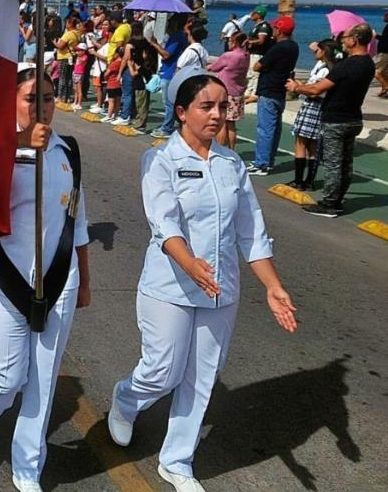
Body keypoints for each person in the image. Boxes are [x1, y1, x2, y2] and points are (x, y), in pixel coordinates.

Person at [108, 67, 298, 492]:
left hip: (221, 289)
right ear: (181, 112)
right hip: (170, 286)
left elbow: (251, 232)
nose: (216, 115)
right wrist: (190, 263)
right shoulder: (160, 159)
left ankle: (176, 461)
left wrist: (272, 285)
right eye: (205, 106)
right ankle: (126, 399)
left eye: (222, 106)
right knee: (162, 371)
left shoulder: (232, 164)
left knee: (202, 375)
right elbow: (164, 222)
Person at [0, 64, 90, 492]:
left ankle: (27, 464)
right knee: (8, 374)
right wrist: (17, 145)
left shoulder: (68, 151)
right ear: (11, 103)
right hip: (7, 275)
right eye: (30, 98)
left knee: (42, 377)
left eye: (48, 98)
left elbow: (78, 221)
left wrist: (85, 280)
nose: (41, 107)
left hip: (60, 279)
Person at [287, 24, 376, 217]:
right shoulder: (368, 64)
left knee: (334, 163)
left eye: (345, 37)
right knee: (345, 163)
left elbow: (316, 89)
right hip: (353, 118)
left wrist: (296, 87)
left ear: (354, 40)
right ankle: (337, 198)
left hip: (336, 119)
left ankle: (329, 203)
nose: (342, 40)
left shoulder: (347, 65)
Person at [248, 16, 299, 176]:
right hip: (280, 90)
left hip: (269, 89)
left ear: (279, 30)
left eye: (275, 28)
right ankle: (268, 161)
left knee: (265, 128)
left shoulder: (278, 48)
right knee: (274, 128)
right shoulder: (294, 47)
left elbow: (257, 66)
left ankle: (261, 163)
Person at [286, 39, 337, 190]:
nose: (315, 51)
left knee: (301, 143)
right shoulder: (330, 67)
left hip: (313, 105)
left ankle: (299, 180)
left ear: (324, 52)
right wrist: (302, 86)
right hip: (320, 107)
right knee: (313, 145)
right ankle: (309, 181)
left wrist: (298, 88)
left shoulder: (324, 69)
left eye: (318, 50)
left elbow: (316, 91)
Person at [149, 14, 189, 138]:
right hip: (169, 70)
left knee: (169, 102)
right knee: (172, 102)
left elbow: (166, 55)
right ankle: (170, 125)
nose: (167, 25)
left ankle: (167, 127)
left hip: (170, 72)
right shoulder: (180, 37)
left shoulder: (177, 37)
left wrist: (154, 44)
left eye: (170, 23)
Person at [209, 32, 250, 150]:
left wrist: (208, 66)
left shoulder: (229, 55)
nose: (228, 43)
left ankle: (220, 150)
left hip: (225, 92)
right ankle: (232, 150)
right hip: (237, 93)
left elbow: (214, 67)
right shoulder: (246, 55)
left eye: (230, 40)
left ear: (234, 42)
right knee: (231, 125)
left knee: (222, 124)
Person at [244, 5, 273, 101]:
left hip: (259, 53)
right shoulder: (256, 26)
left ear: (259, 15)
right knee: (250, 73)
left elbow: (261, 40)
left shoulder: (263, 27)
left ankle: (255, 93)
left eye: (254, 13)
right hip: (252, 52)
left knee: (255, 73)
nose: (251, 15)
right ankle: (249, 91)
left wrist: (249, 42)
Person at [375, 11, 388, 97]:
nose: (384, 17)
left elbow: (385, 40)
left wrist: (375, 36)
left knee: (375, 71)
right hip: (385, 52)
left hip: (384, 52)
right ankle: (384, 89)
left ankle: (386, 86)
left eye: (386, 15)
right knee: (383, 72)